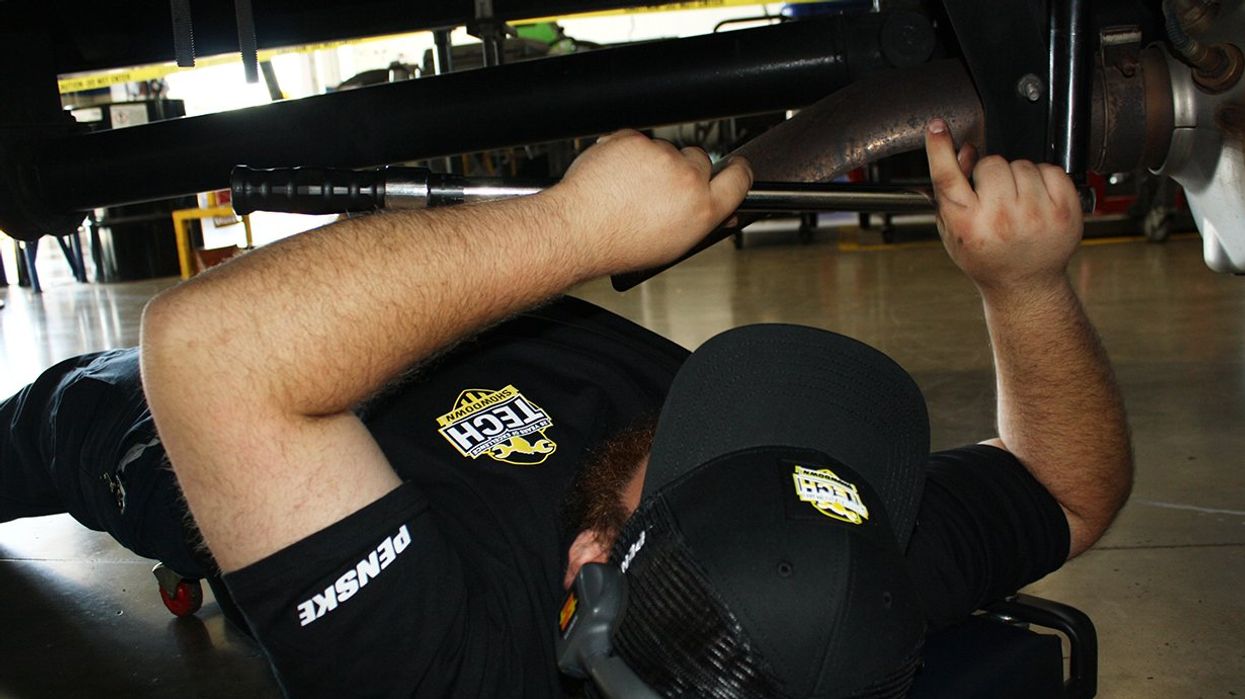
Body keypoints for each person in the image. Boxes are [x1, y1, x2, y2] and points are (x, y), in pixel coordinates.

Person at [0, 120, 1132, 697]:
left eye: (704, 459)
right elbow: (1070, 490)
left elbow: (209, 353)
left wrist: (575, 229)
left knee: (69, 413)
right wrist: (1026, 288)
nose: (747, 429)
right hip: (465, 315)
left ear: (595, 562)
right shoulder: (836, 593)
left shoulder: (452, 668)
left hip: (219, 444)